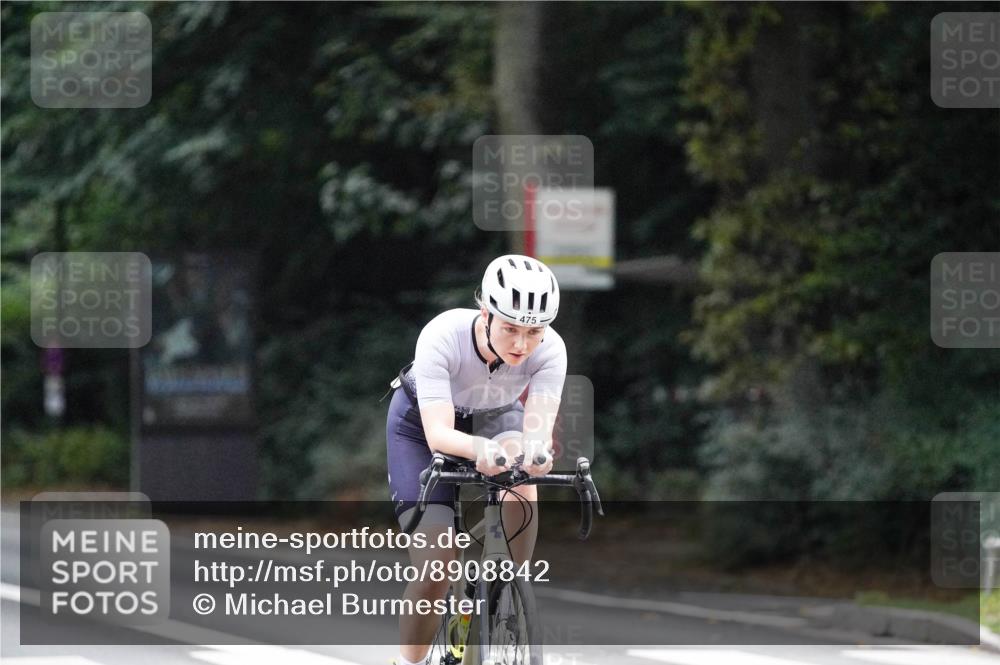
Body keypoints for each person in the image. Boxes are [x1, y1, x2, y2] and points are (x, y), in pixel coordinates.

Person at [385, 254, 567, 665]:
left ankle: (504, 589)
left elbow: (535, 433)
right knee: (436, 568)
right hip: (421, 425)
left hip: (495, 415)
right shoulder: (443, 335)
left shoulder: (551, 349)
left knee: (523, 480)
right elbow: (439, 436)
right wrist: (481, 450)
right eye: (510, 329)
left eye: (534, 332)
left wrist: (536, 456)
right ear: (485, 313)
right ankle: (409, 661)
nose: (521, 345)